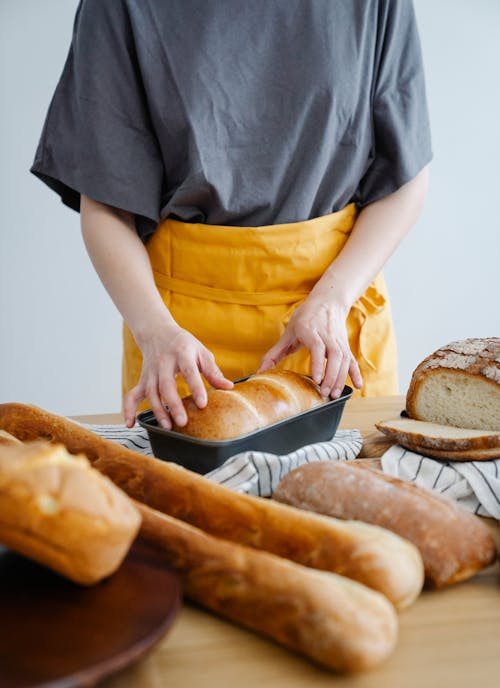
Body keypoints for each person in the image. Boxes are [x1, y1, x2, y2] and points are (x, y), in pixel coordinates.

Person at [31, 0, 432, 430]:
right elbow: (106, 201)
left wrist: (332, 300)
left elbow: (405, 173)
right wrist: (154, 331)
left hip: (333, 322)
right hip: (180, 341)